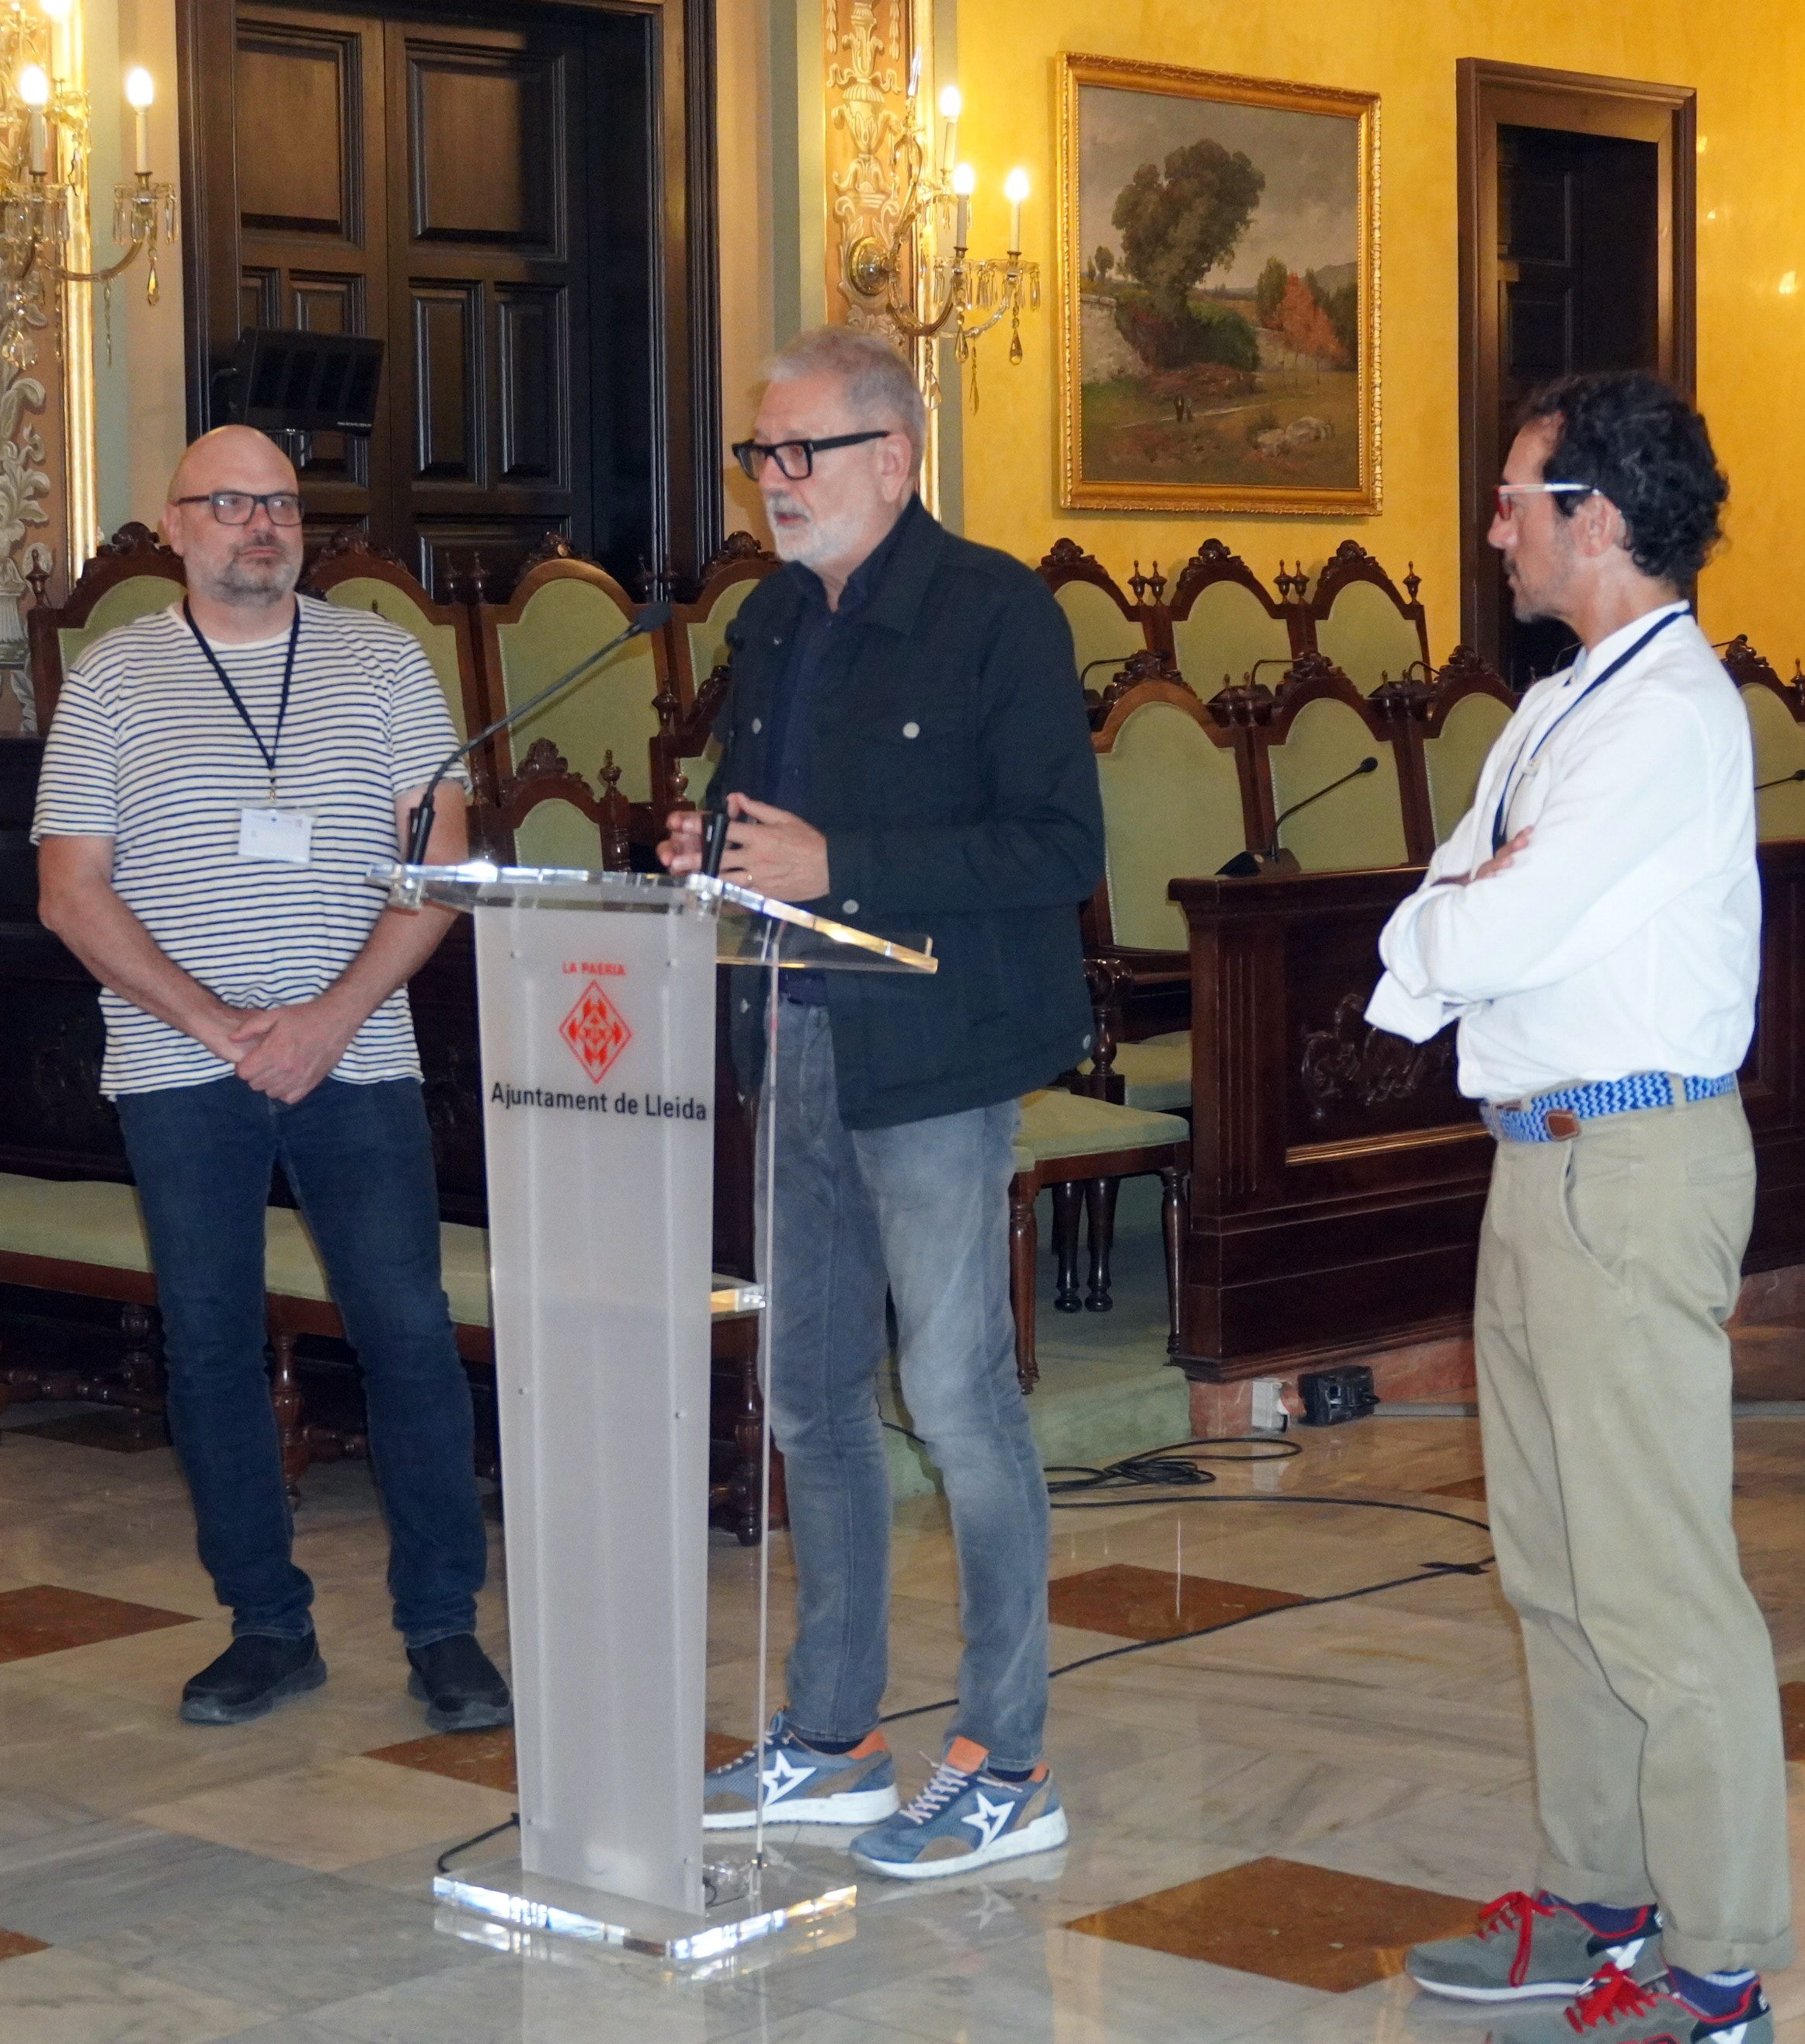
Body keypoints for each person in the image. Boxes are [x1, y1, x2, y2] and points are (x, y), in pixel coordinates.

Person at [659, 325, 1102, 1880]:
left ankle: (1007, 1751)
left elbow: (1058, 849)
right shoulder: (773, 621)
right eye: (756, 456)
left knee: (962, 1401)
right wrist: (709, 846)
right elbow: (765, 818)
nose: (771, 485)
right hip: (786, 1038)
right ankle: (834, 1731)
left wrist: (834, 864)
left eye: (799, 453)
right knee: (808, 1399)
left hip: (932, 1059)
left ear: (892, 459)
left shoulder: (993, 614)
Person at [1375, 374, 1783, 2043]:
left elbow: (1478, 931)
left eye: (1510, 498)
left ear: (1592, 518)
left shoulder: (1668, 712)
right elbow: (1439, 908)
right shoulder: (1551, 704)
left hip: (1631, 1159)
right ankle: (1597, 1894)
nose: (1491, 528)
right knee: (1549, 1567)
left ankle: (1720, 1962)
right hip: (1533, 1154)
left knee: (1656, 1581)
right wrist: (1458, 916)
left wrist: (1461, 917)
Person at [33, 425, 510, 1736]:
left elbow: (441, 874)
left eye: (282, 505)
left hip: (356, 1056)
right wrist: (223, 1023)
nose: (262, 525)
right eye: (231, 504)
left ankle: (444, 1630)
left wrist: (324, 1019)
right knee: (210, 1345)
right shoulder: (115, 680)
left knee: (407, 1334)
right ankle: (266, 1627)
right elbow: (71, 892)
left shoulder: (384, 662)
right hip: (179, 1066)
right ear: (173, 526)